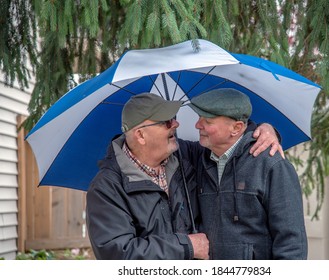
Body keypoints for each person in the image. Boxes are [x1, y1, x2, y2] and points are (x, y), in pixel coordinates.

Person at [86, 93, 282, 260]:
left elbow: (228, 138)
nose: (175, 124)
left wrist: (262, 130)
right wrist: (187, 246)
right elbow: (117, 254)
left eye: (173, 117)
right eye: (166, 122)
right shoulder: (107, 188)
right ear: (140, 135)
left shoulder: (188, 156)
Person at [188, 88, 308, 260]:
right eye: (199, 118)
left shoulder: (271, 164)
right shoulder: (197, 159)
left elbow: (291, 241)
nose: (197, 125)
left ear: (236, 128)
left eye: (207, 120)